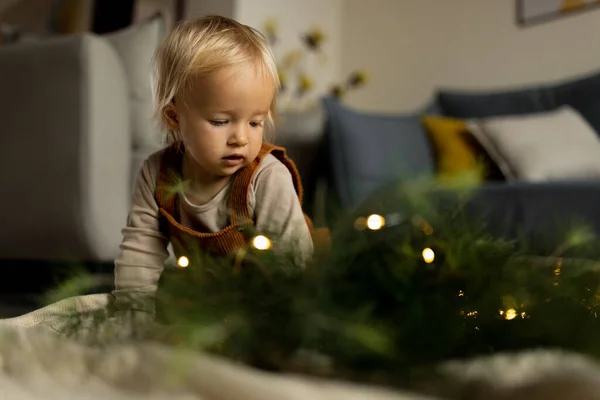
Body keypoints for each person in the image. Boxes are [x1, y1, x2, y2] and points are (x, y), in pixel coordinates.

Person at [111, 15, 315, 315]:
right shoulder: (157, 175)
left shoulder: (267, 177)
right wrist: (131, 315)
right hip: (206, 299)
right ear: (174, 117)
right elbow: (140, 253)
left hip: (274, 299)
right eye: (221, 121)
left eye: (256, 122)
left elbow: (294, 264)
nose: (241, 138)